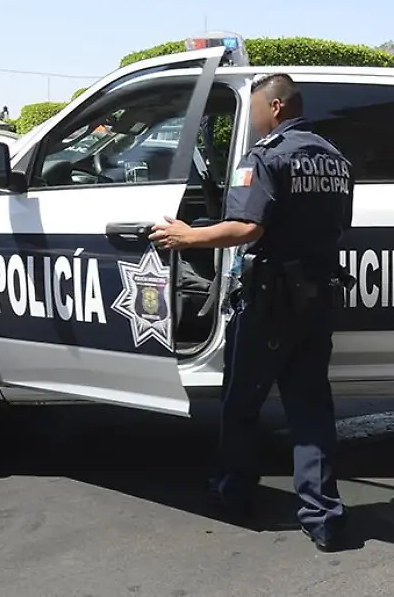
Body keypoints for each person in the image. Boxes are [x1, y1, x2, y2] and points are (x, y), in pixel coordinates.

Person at [150, 73, 355, 552]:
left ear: (276, 106)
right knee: (310, 407)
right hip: (317, 298)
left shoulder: (266, 155)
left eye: (258, 106)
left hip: (271, 301)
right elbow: (338, 224)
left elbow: (246, 227)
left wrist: (187, 236)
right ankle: (324, 518)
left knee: (241, 402)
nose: (255, 116)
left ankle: (233, 494)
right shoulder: (336, 159)